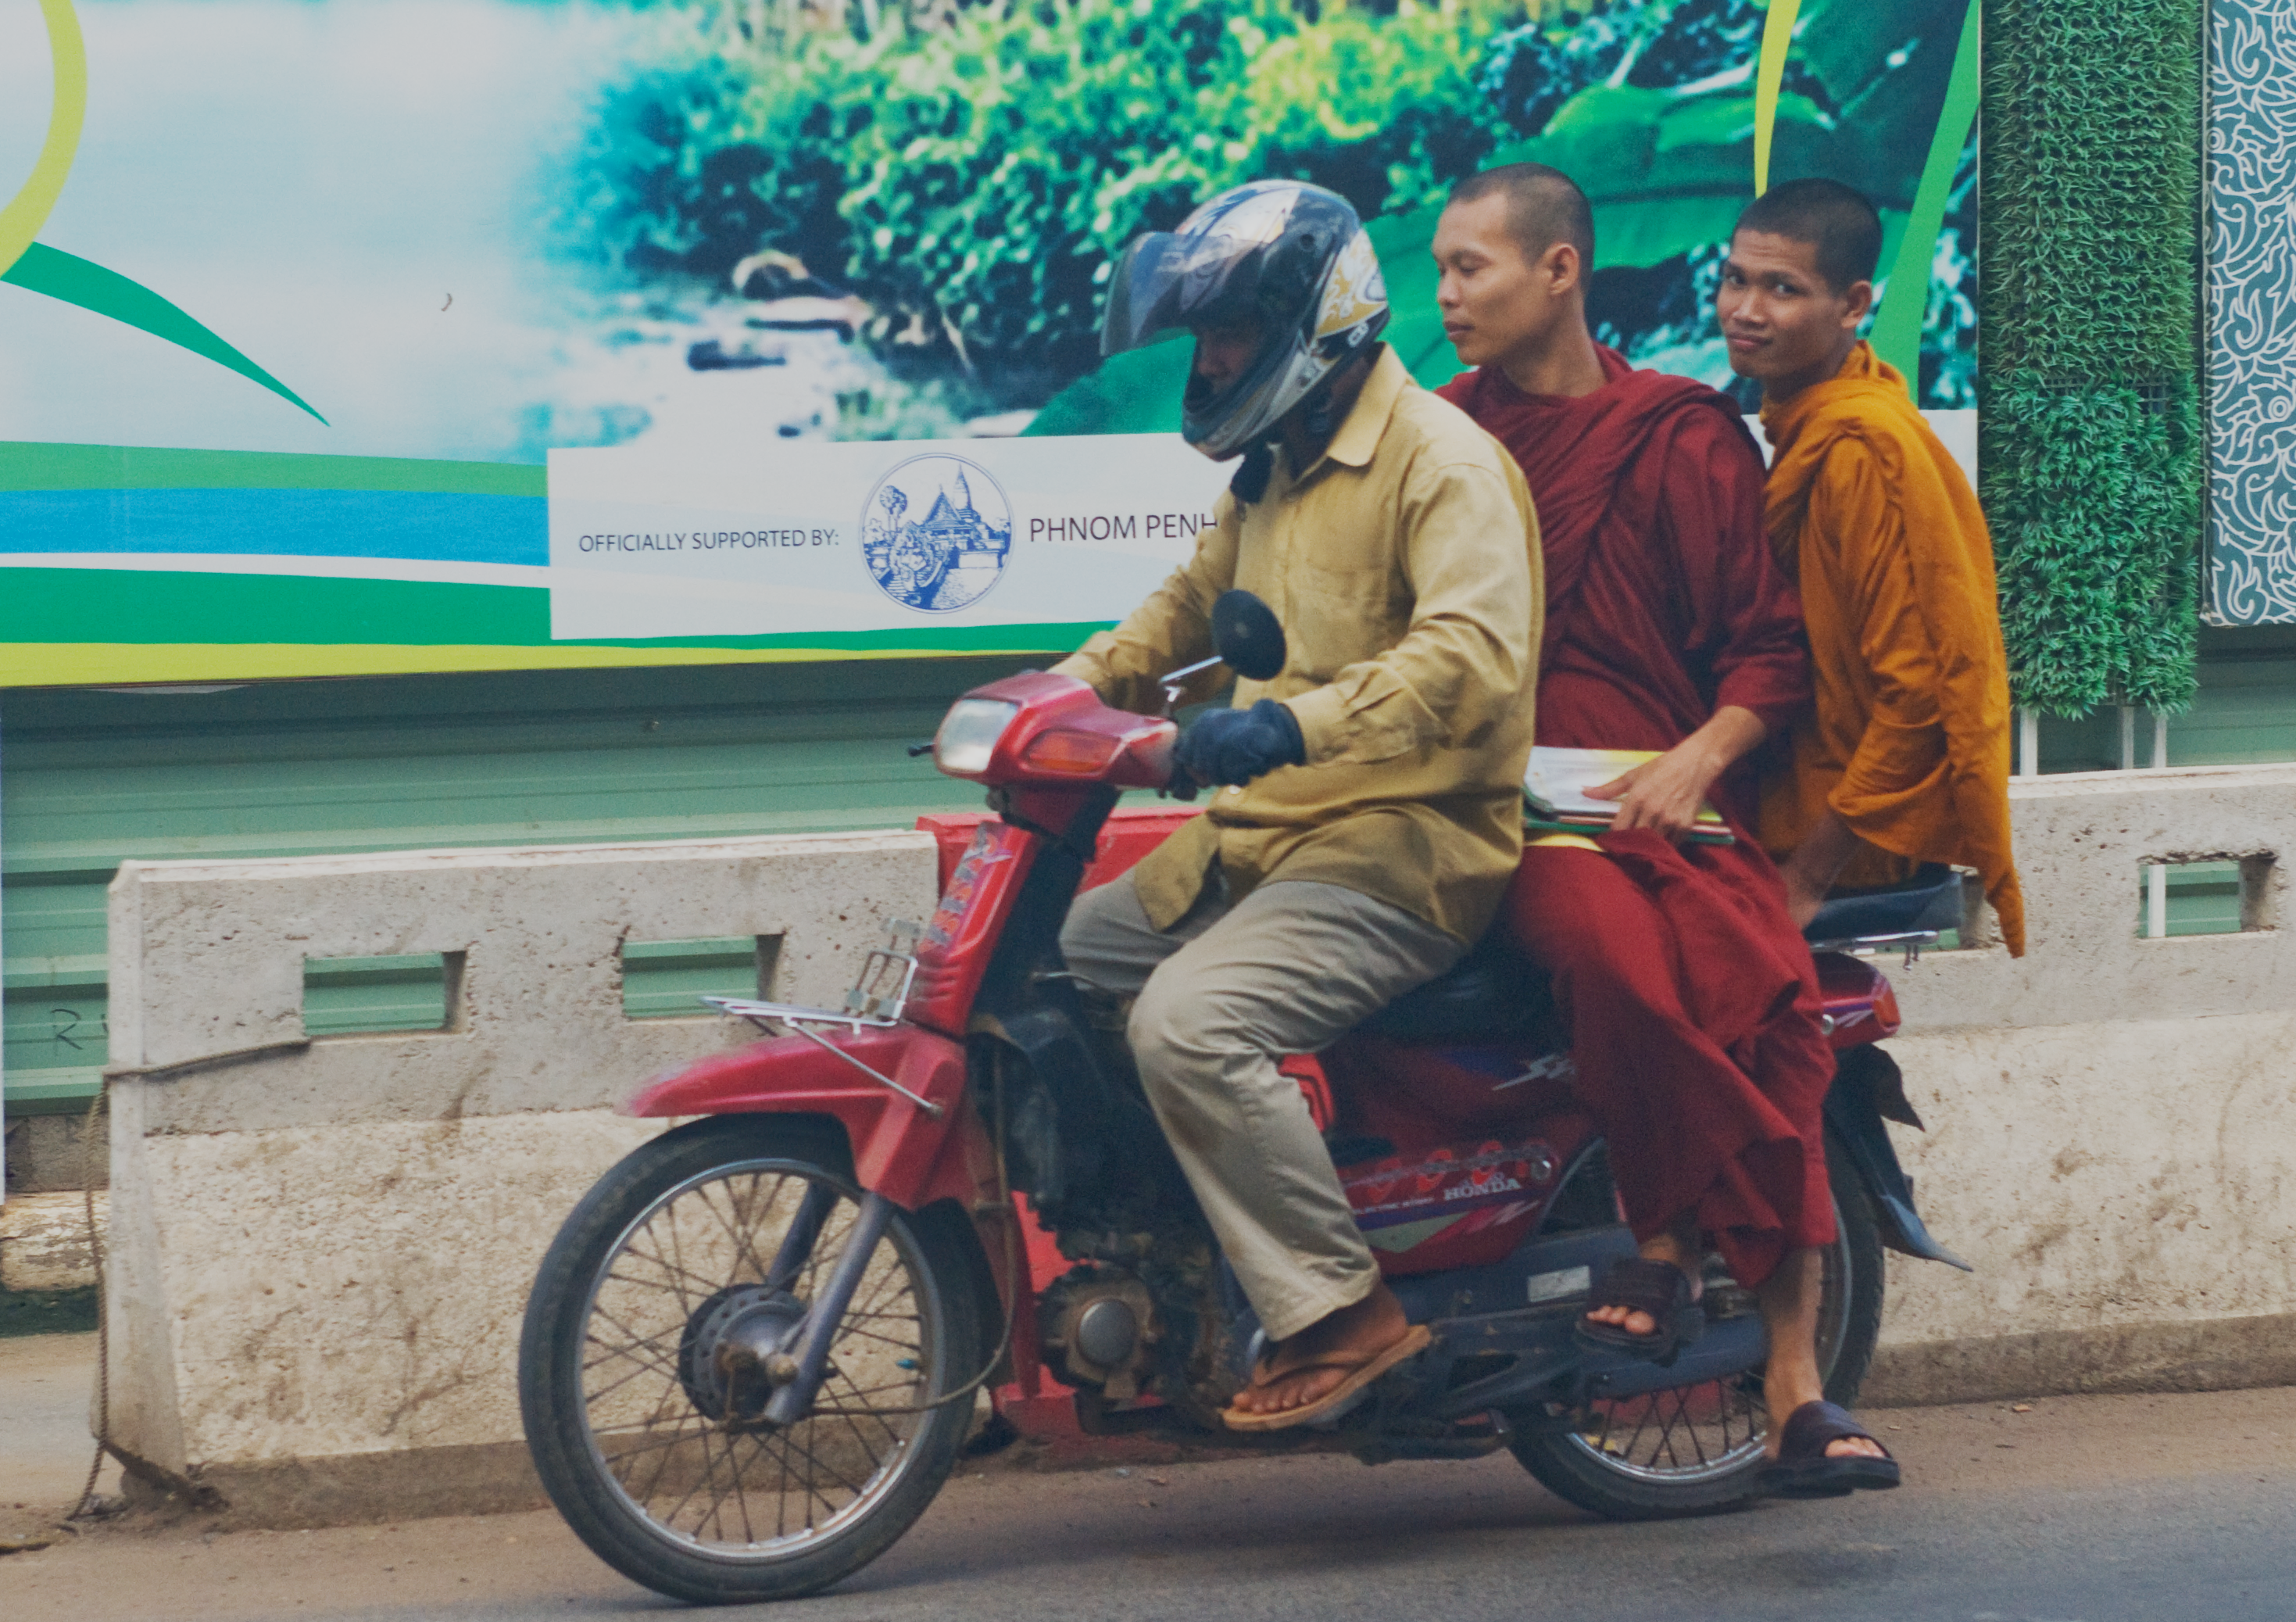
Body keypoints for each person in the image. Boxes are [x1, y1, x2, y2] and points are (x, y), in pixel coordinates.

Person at [1433, 162, 1897, 1494]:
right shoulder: (1442, 440)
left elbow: (1766, 653)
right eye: (1444, 268)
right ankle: (1667, 1236)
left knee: (1762, 994)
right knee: (1608, 956)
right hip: (1498, 812)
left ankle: (1794, 1379)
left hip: (1663, 798)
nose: (1448, 296)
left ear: (1559, 272)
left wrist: (1696, 759)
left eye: (1470, 268)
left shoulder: (1679, 434)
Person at [1055, 180, 1543, 1431]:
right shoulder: (1272, 469)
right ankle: (1185, 1231)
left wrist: (1286, 720)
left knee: (1187, 1022)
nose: (1208, 360)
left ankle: (1340, 1309)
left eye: (1227, 335)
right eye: (1203, 337)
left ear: (1309, 328)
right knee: (1063, 960)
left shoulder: (1443, 463)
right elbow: (1181, 603)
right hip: (1270, 835)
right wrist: (1057, 691)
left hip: (1401, 845)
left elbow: (1468, 658)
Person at [1720, 177, 2026, 956]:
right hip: (1804, 802)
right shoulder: (1819, 420)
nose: (1745, 310)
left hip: (1845, 836)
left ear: (1852, 306)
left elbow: (1918, 691)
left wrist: (1809, 876)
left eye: (1781, 289)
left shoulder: (1859, 451)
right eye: (1735, 279)